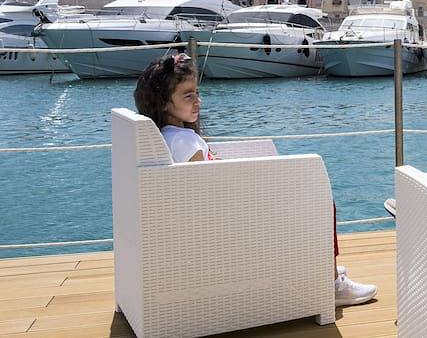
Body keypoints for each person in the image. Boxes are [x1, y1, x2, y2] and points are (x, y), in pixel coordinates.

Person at [133, 53, 378, 306]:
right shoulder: (183, 140)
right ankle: (330, 284)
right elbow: (207, 188)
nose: (198, 101)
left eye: (197, 93)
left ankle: (320, 268)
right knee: (321, 203)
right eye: (188, 95)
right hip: (230, 219)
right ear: (163, 102)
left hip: (222, 212)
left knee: (308, 199)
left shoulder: (172, 135)